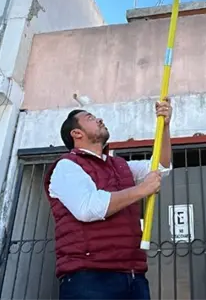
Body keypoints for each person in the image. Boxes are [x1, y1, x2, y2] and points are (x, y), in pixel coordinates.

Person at [44, 99, 173, 300]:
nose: (100, 119)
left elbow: (160, 168)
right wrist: (142, 189)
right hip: (89, 277)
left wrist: (164, 127)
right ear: (76, 133)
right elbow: (87, 208)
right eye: (90, 118)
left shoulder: (120, 165)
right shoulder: (67, 166)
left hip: (133, 276)